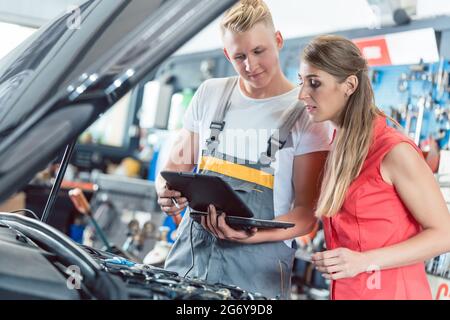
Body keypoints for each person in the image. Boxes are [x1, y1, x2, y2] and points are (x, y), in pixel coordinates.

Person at [208, 34, 450, 300]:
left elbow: (444, 235)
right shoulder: (337, 144)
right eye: (302, 82)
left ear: (349, 85)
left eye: (315, 83)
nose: (302, 94)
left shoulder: (394, 151)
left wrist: (364, 260)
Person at [155, 0, 332, 299]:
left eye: (258, 51)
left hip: (256, 275)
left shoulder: (307, 114)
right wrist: (165, 192)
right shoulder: (210, 94)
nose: (251, 65)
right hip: (189, 262)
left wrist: (249, 236)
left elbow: (305, 215)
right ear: (227, 54)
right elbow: (174, 169)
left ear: (277, 40)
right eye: (239, 56)